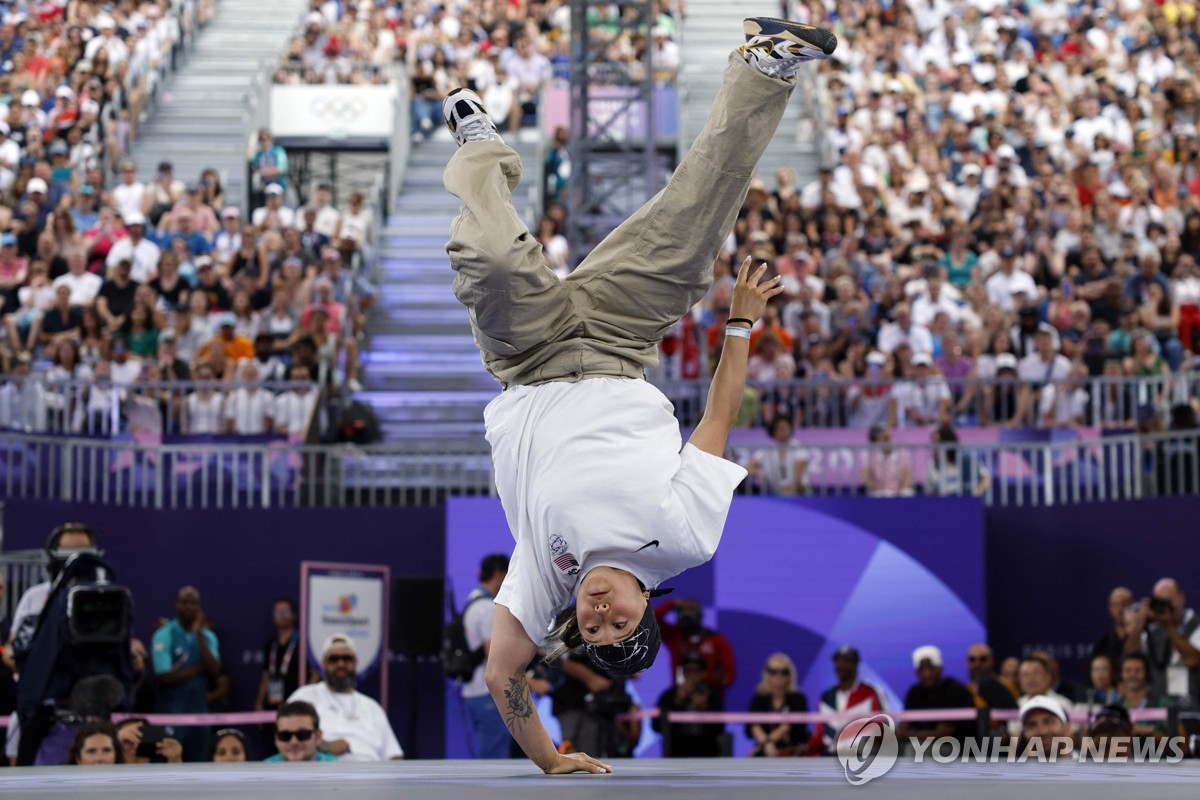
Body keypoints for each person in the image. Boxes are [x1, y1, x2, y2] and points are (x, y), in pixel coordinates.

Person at [444, 17, 836, 775]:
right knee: (692, 232)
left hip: (530, 357)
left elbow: (503, 678)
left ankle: (479, 149)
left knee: (490, 256)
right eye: (617, 617)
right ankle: (767, 65)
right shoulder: (685, 537)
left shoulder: (543, 576)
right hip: (622, 340)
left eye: (592, 628)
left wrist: (551, 758)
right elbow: (719, 419)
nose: (599, 612)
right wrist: (742, 327)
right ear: (644, 605)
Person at [287, 634, 403, 762]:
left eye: (346, 658)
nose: (340, 664)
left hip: (371, 776)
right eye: (334, 659)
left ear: (355, 662)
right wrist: (325, 746)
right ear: (324, 664)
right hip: (322, 776)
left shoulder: (372, 706)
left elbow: (393, 754)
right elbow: (286, 736)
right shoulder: (304, 696)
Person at [151, 586, 221, 762]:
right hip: (170, 713)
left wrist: (199, 634)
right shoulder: (164, 634)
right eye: (184, 602)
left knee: (200, 763)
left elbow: (214, 670)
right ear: (176, 605)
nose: (189, 607)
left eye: (193, 603)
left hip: (200, 713)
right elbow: (165, 677)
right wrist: (200, 668)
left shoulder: (208, 636)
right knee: (166, 764)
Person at [462, 554, 510, 759]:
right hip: (487, 692)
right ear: (499, 574)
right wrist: (533, 684)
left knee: (491, 750)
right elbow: (494, 655)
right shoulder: (488, 609)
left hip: (475, 690)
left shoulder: (472, 602)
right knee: (495, 756)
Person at [813, 646, 885, 754]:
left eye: (846, 661)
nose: (841, 665)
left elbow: (882, 727)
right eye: (837, 661)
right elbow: (820, 734)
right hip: (830, 755)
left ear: (856, 665)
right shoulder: (825, 697)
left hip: (861, 754)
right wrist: (805, 748)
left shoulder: (871, 693)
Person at [654, 650, 726, 757]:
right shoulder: (670, 695)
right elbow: (656, 726)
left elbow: (720, 728)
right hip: (677, 753)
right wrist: (677, 702)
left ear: (704, 673)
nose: (692, 675)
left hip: (707, 753)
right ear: (682, 672)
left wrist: (704, 708)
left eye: (697, 671)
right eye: (688, 670)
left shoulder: (711, 695)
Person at [655, 598, 736, 693]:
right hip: (680, 697)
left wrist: (704, 677)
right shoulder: (674, 636)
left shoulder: (716, 640)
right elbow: (651, 621)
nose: (687, 615)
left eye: (691, 611)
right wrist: (672, 603)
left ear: (699, 614)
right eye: (682, 612)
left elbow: (728, 676)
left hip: (710, 698)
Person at [898, 645, 975, 744]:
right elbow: (903, 727)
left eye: (932, 668)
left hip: (958, 747)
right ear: (917, 672)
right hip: (919, 743)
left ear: (940, 668)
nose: (928, 674)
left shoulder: (956, 691)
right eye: (922, 669)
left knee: (916, 749)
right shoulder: (914, 693)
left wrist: (912, 735)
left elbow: (947, 733)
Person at [746, 653, 810, 756]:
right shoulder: (759, 698)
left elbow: (788, 726)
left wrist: (766, 743)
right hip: (764, 749)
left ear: (790, 675)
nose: (778, 675)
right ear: (767, 674)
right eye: (773, 671)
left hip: (792, 749)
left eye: (784, 672)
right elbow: (754, 726)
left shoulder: (798, 698)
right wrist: (766, 745)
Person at [255, 599, 302, 735]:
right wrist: (259, 703)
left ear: (294, 615)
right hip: (273, 703)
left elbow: (314, 674)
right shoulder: (271, 645)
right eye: (278, 612)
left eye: (285, 612)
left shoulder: (302, 642)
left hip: (296, 702)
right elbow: (266, 675)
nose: (281, 615)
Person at [265, 701, 339, 762]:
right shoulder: (263, 771)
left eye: (303, 734)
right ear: (276, 739)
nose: (294, 742)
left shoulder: (338, 771)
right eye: (285, 735)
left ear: (318, 737)